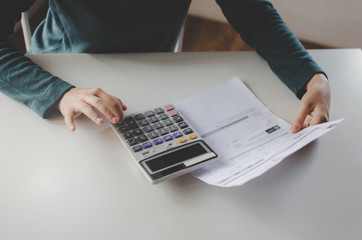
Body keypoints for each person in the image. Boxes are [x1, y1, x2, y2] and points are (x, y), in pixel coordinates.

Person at [0, 0, 330, 133]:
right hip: (64, 77)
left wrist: (311, 79)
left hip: (155, 75)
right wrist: (59, 94)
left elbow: (254, 14)